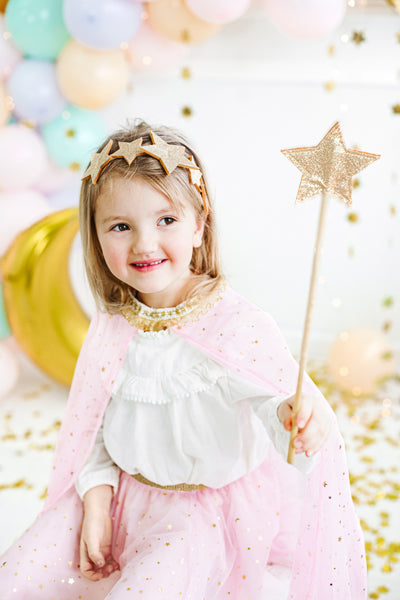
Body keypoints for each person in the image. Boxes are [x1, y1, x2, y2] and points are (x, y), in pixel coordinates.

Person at [0, 121, 367, 600]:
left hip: (198, 517)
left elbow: (271, 406)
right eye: (120, 226)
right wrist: (94, 501)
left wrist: (291, 418)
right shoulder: (115, 321)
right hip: (116, 497)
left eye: (166, 220)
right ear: (95, 236)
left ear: (199, 225)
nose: (144, 244)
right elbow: (98, 424)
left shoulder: (235, 325)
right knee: (19, 576)